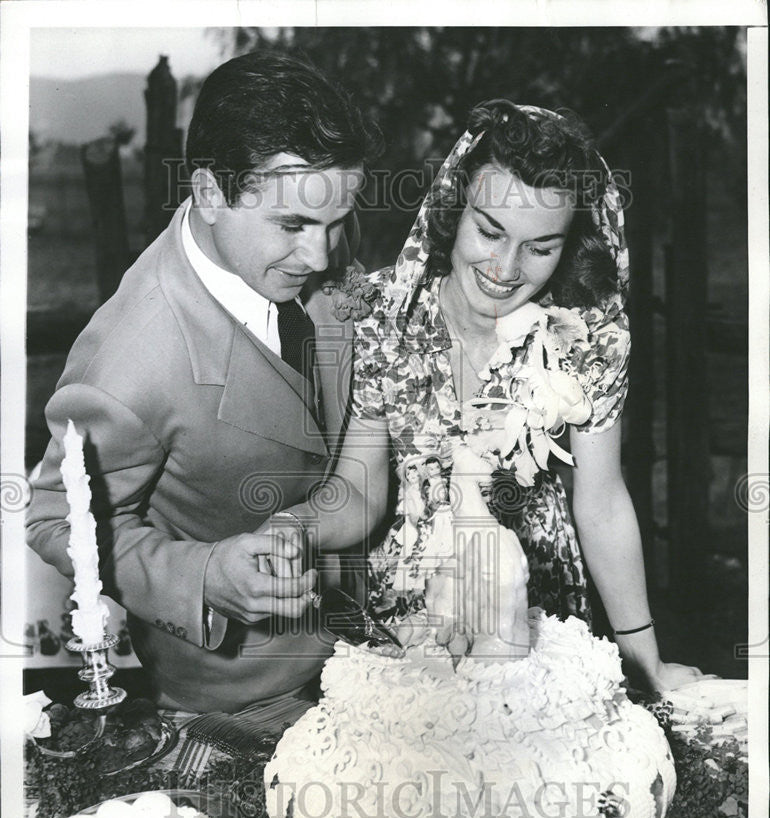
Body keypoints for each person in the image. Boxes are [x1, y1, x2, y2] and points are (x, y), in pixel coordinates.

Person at [281, 99, 709, 692]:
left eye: (540, 247)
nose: (506, 268)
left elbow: (602, 501)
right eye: (490, 231)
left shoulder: (587, 340)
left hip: (536, 614)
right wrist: (290, 530)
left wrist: (645, 663)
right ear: (453, 210)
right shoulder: (385, 315)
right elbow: (358, 487)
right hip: (410, 623)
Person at [26, 51, 380, 716]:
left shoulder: (310, 225)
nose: (325, 255)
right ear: (211, 193)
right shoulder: (130, 360)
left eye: (338, 222)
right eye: (295, 226)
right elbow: (52, 516)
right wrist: (204, 575)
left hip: (371, 651)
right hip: (237, 704)